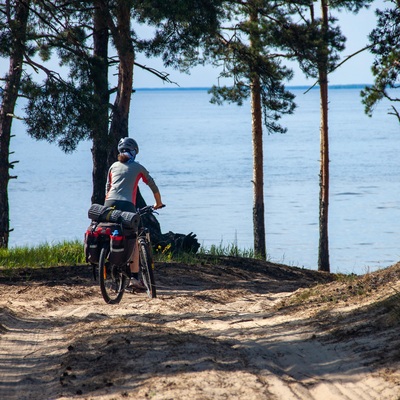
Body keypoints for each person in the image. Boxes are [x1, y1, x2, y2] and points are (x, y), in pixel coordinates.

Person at [104, 137, 164, 290]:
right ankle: (134, 278)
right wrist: (158, 203)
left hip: (109, 205)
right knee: (134, 239)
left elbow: (108, 189)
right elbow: (152, 185)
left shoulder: (113, 167)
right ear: (134, 152)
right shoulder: (138, 167)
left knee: (111, 234)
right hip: (127, 205)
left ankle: (110, 271)